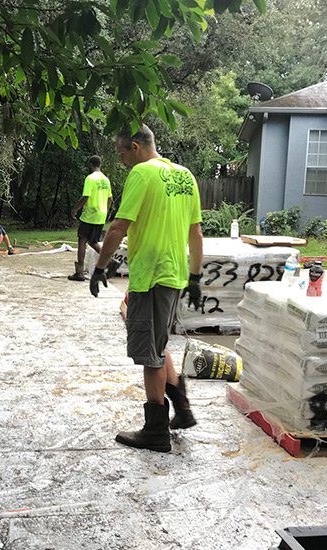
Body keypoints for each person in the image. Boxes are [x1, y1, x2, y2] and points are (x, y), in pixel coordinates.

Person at [90, 125, 204, 453]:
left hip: (150, 277)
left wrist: (99, 268)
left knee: (149, 356)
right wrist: (195, 277)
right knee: (158, 343)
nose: (122, 159)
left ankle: (155, 430)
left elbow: (118, 226)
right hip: (173, 275)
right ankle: (181, 410)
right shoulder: (184, 175)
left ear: (137, 147)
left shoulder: (142, 173)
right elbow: (195, 232)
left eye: (122, 152)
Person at [68, 155, 113, 281]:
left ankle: (80, 272)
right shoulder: (106, 180)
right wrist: (105, 210)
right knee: (92, 241)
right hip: (101, 215)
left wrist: (75, 209)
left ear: (91, 165)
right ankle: (111, 261)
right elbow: (110, 199)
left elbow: (85, 197)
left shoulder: (90, 178)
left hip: (90, 214)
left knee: (82, 240)